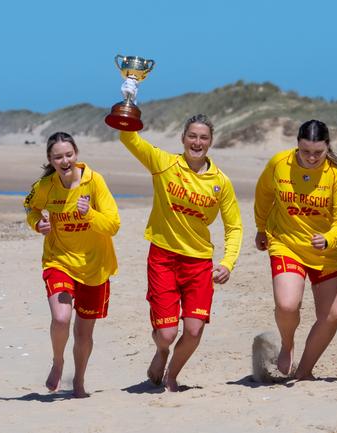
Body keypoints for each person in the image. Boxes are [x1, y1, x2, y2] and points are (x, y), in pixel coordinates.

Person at [116, 79, 243, 392]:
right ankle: (161, 351)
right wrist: (130, 99)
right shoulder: (164, 164)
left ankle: (172, 375)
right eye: (192, 136)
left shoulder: (220, 182)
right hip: (163, 257)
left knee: (195, 329)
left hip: (199, 262)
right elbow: (129, 139)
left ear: (210, 143)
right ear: (183, 138)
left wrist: (227, 262)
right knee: (167, 334)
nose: (197, 142)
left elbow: (234, 226)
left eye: (203, 138)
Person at [254, 119, 337, 380]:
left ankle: (304, 371)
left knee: (331, 316)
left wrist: (328, 238)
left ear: (328, 147)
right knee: (287, 305)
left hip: (326, 251)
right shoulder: (280, 164)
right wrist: (261, 228)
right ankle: (288, 344)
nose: (312, 157)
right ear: (297, 146)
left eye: (318, 152)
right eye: (306, 152)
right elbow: (263, 196)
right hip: (286, 244)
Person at [24, 132, 120, 398]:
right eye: (58, 157)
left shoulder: (94, 181)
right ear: (50, 160)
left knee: (84, 333)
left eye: (69, 154)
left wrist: (88, 213)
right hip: (59, 260)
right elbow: (30, 207)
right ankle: (58, 362)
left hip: (95, 266)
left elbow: (113, 225)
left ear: (76, 154)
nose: (64, 161)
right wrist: (37, 223)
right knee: (61, 317)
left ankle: (78, 380)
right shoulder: (45, 186)